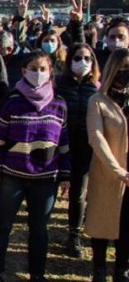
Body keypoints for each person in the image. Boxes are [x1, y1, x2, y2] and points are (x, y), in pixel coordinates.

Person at [0, 51, 70, 282]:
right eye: (33, 68)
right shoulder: (13, 102)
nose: (38, 73)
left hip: (45, 178)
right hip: (12, 175)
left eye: (43, 69)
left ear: (51, 72)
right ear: (23, 71)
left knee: (39, 230)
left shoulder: (59, 104)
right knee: (3, 226)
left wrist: (65, 174)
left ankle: (37, 273)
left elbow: (63, 142)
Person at [85, 48, 129, 282]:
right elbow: (96, 137)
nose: (126, 75)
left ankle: (122, 268)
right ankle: (99, 269)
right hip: (107, 171)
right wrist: (117, 170)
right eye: (122, 69)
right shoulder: (98, 101)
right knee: (101, 221)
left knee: (126, 225)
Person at [56, 43, 100, 259]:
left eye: (87, 58)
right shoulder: (59, 85)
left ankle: (74, 235)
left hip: (84, 148)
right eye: (77, 58)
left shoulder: (98, 88)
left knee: (78, 194)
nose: (82, 62)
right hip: (59, 147)